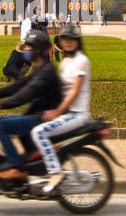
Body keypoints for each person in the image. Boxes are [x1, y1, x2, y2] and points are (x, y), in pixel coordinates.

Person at [0, 30, 61, 180]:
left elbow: (26, 94)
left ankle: (16, 166)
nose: (25, 50)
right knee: (15, 126)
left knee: (0, 124)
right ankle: (32, 166)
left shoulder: (47, 71)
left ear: (38, 50)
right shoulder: (40, 68)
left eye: (29, 48)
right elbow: (21, 84)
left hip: (43, 117)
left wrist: (0, 104)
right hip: (36, 113)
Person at [30, 23, 92, 195]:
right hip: (67, 112)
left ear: (78, 41)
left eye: (71, 39)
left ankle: (56, 172)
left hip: (76, 114)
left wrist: (57, 112)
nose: (68, 42)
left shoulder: (81, 61)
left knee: (39, 133)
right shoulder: (66, 61)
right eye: (64, 39)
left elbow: (74, 92)